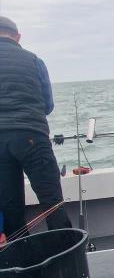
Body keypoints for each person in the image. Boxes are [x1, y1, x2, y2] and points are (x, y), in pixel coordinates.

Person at [0, 15, 72, 238]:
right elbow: (47, 105)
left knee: (10, 206)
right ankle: (65, 256)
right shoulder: (34, 61)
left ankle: (20, 265)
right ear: (17, 36)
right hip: (32, 135)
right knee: (51, 201)